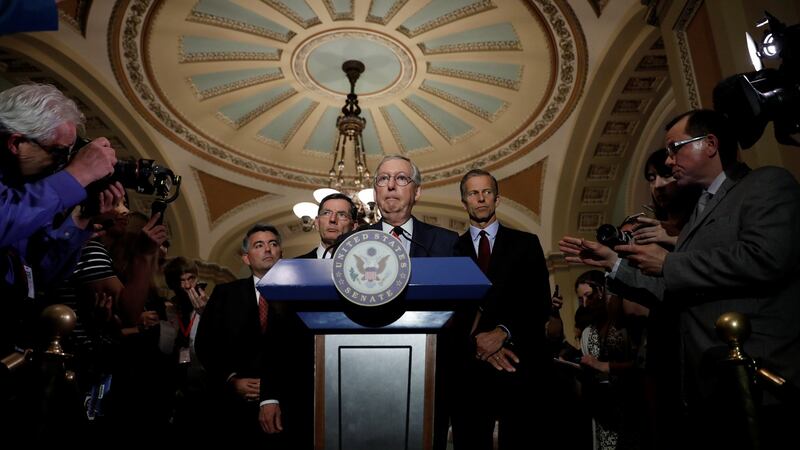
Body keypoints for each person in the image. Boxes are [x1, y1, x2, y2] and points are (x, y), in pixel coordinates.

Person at [560, 109, 800, 449]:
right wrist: (614, 263)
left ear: (711, 144)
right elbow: (675, 289)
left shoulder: (765, 184)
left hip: (759, 374)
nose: (670, 162)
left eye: (676, 148)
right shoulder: (701, 208)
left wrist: (670, 265)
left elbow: (767, 257)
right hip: (708, 382)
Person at [450, 168, 557, 450]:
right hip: (469, 368)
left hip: (518, 362)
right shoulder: (452, 250)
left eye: (487, 192)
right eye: (473, 193)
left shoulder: (527, 243)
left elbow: (540, 302)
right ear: (464, 201)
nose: (481, 198)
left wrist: (502, 332)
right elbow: (449, 311)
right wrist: (478, 342)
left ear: (497, 199)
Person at [195, 223, 286, 444]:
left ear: (281, 254)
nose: (267, 250)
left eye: (273, 244)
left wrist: (274, 389)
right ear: (246, 258)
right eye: (259, 245)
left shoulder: (297, 294)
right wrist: (231, 379)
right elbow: (206, 344)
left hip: (284, 403)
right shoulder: (225, 294)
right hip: (233, 407)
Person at [365, 154, 458, 257]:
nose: (391, 185)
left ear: (416, 192)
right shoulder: (354, 241)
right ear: (375, 194)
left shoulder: (446, 241)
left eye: (401, 178)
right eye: (383, 178)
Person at [297, 192, 358, 258]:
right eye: (326, 213)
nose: (332, 219)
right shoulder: (295, 265)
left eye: (342, 215)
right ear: (317, 223)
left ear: (354, 227)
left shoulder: (367, 265)